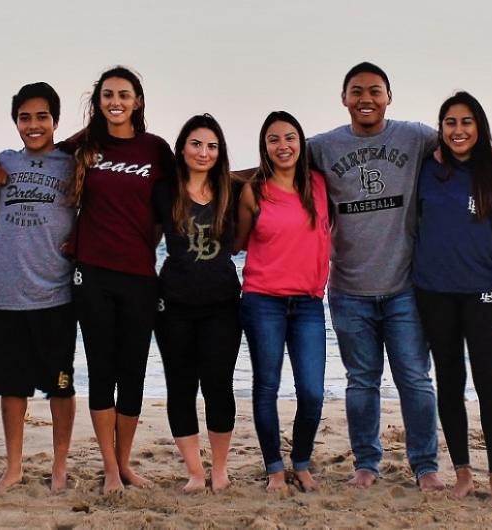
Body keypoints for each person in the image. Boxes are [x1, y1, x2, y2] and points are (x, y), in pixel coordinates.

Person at [307, 62, 444, 490]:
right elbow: (276, 158)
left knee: (416, 380)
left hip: (404, 287)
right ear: (344, 98)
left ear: (389, 97)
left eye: (375, 91)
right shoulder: (324, 147)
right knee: (361, 381)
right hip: (348, 290)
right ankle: (366, 464)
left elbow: (469, 149)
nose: (366, 98)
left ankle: (426, 467)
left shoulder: (416, 136)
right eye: (357, 91)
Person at [59, 66, 174, 494]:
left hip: (141, 277)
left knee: (134, 374)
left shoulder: (156, 150)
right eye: (108, 94)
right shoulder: (84, 146)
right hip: (93, 275)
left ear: (138, 101)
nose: (116, 102)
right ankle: (109, 469)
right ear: (99, 101)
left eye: (124, 94)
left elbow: (183, 197)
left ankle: (125, 463)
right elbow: (38, 153)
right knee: (102, 371)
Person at [411, 92, 492, 508]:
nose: (458, 130)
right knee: (449, 383)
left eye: (466, 122)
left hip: (484, 294)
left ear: (479, 127)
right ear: (441, 130)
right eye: (450, 123)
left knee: (489, 385)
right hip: (434, 293)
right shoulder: (426, 170)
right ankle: (462, 473)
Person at [0, 82, 81, 494]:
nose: (33, 125)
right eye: (25, 117)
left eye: (42, 116)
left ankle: (59, 466)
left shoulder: (72, 165)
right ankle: (14, 466)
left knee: (60, 385)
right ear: (15, 121)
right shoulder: (3, 160)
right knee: (12, 387)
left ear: (55, 120)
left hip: (55, 292)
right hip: (6, 292)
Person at [236, 111, 333, 496]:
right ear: (264, 147)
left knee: (311, 391)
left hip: (309, 303)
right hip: (263, 301)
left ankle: (303, 462)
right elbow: (238, 244)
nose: (283, 146)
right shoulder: (253, 191)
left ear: (301, 143)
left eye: (289, 137)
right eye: (274, 139)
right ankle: (275, 468)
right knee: (267, 386)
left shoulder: (320, 185)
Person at [152, 114, 243, 493]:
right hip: (173, 303)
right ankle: (194, 471)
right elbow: (142, 237)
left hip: (222, 303)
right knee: (181, 386)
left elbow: (248, 239)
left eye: (212, 146)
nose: (203, 152)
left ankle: (219, 470)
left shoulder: (233, 191)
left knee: (219, 386)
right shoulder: (164, 190)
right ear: (182, 148)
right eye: (196, 144)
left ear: (220, 153)